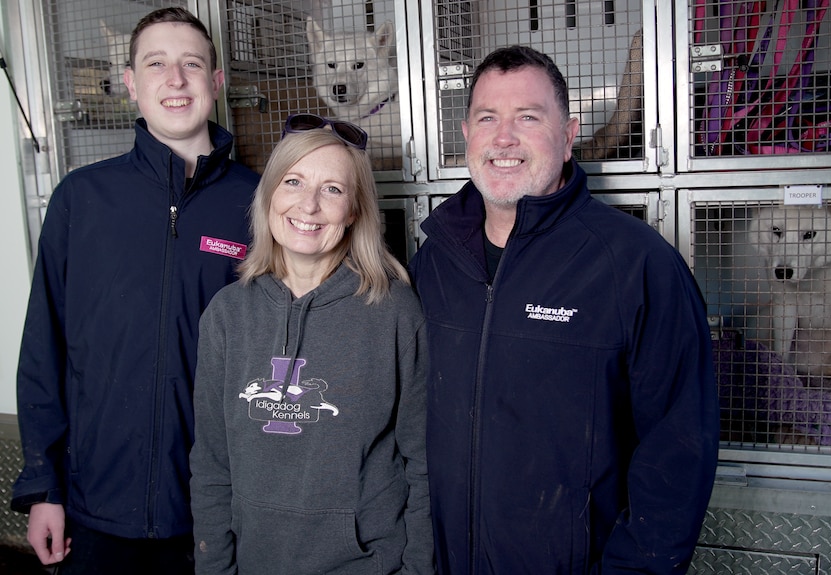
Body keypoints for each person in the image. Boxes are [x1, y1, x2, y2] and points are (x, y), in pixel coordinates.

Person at [409, 45, 719, 574]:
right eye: (488, 118)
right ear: (465, 133)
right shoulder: (434, 258)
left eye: (527, 117)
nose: (503, 138)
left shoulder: (637, 265)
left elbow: (677, 453)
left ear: (570, 134)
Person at [11, 7, 260, 574]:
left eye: (192, 64)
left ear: (216, 83)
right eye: (156, 64)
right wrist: (43, 486)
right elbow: (43, 350)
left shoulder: (263, 203)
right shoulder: (81, 200)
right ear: (130, 83)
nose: (175, 80)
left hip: (220, 514)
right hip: (93, 512)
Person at [189, 114, 434, 574]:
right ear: (268, 196)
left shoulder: (395, 312)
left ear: (356, 210)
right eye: (294, 181)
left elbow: (421, 463)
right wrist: (214, 567)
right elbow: (211, 462)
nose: (309, 205)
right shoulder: (226, 314)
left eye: (333, 190)